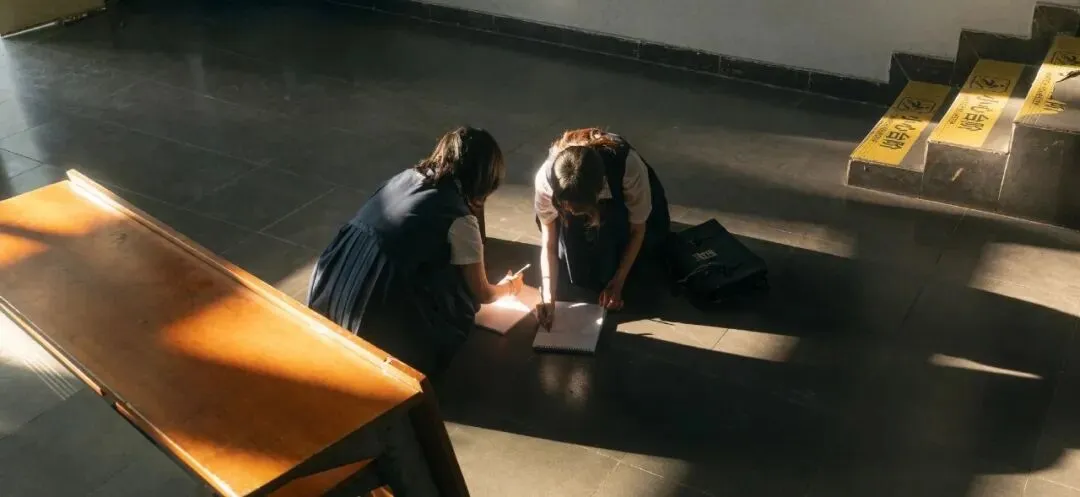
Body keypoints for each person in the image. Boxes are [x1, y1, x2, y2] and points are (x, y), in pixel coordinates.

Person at [308, 127, 523, 376]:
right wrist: (509, 287)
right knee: (457, 303)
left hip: (331, 287)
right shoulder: (459, 218)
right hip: (372, 314)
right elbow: (482, 292)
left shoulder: (405, 177)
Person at [533, 128, 670, 326]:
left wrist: (618, 281)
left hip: (619, 206)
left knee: (634, 266)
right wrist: (548, 296)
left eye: (581, 211)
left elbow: (638, 230)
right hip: (587, 201)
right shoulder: (546, 178)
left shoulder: (627, 166)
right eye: (568, 208)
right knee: (575, 266)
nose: (576, 214)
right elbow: (549, 243)